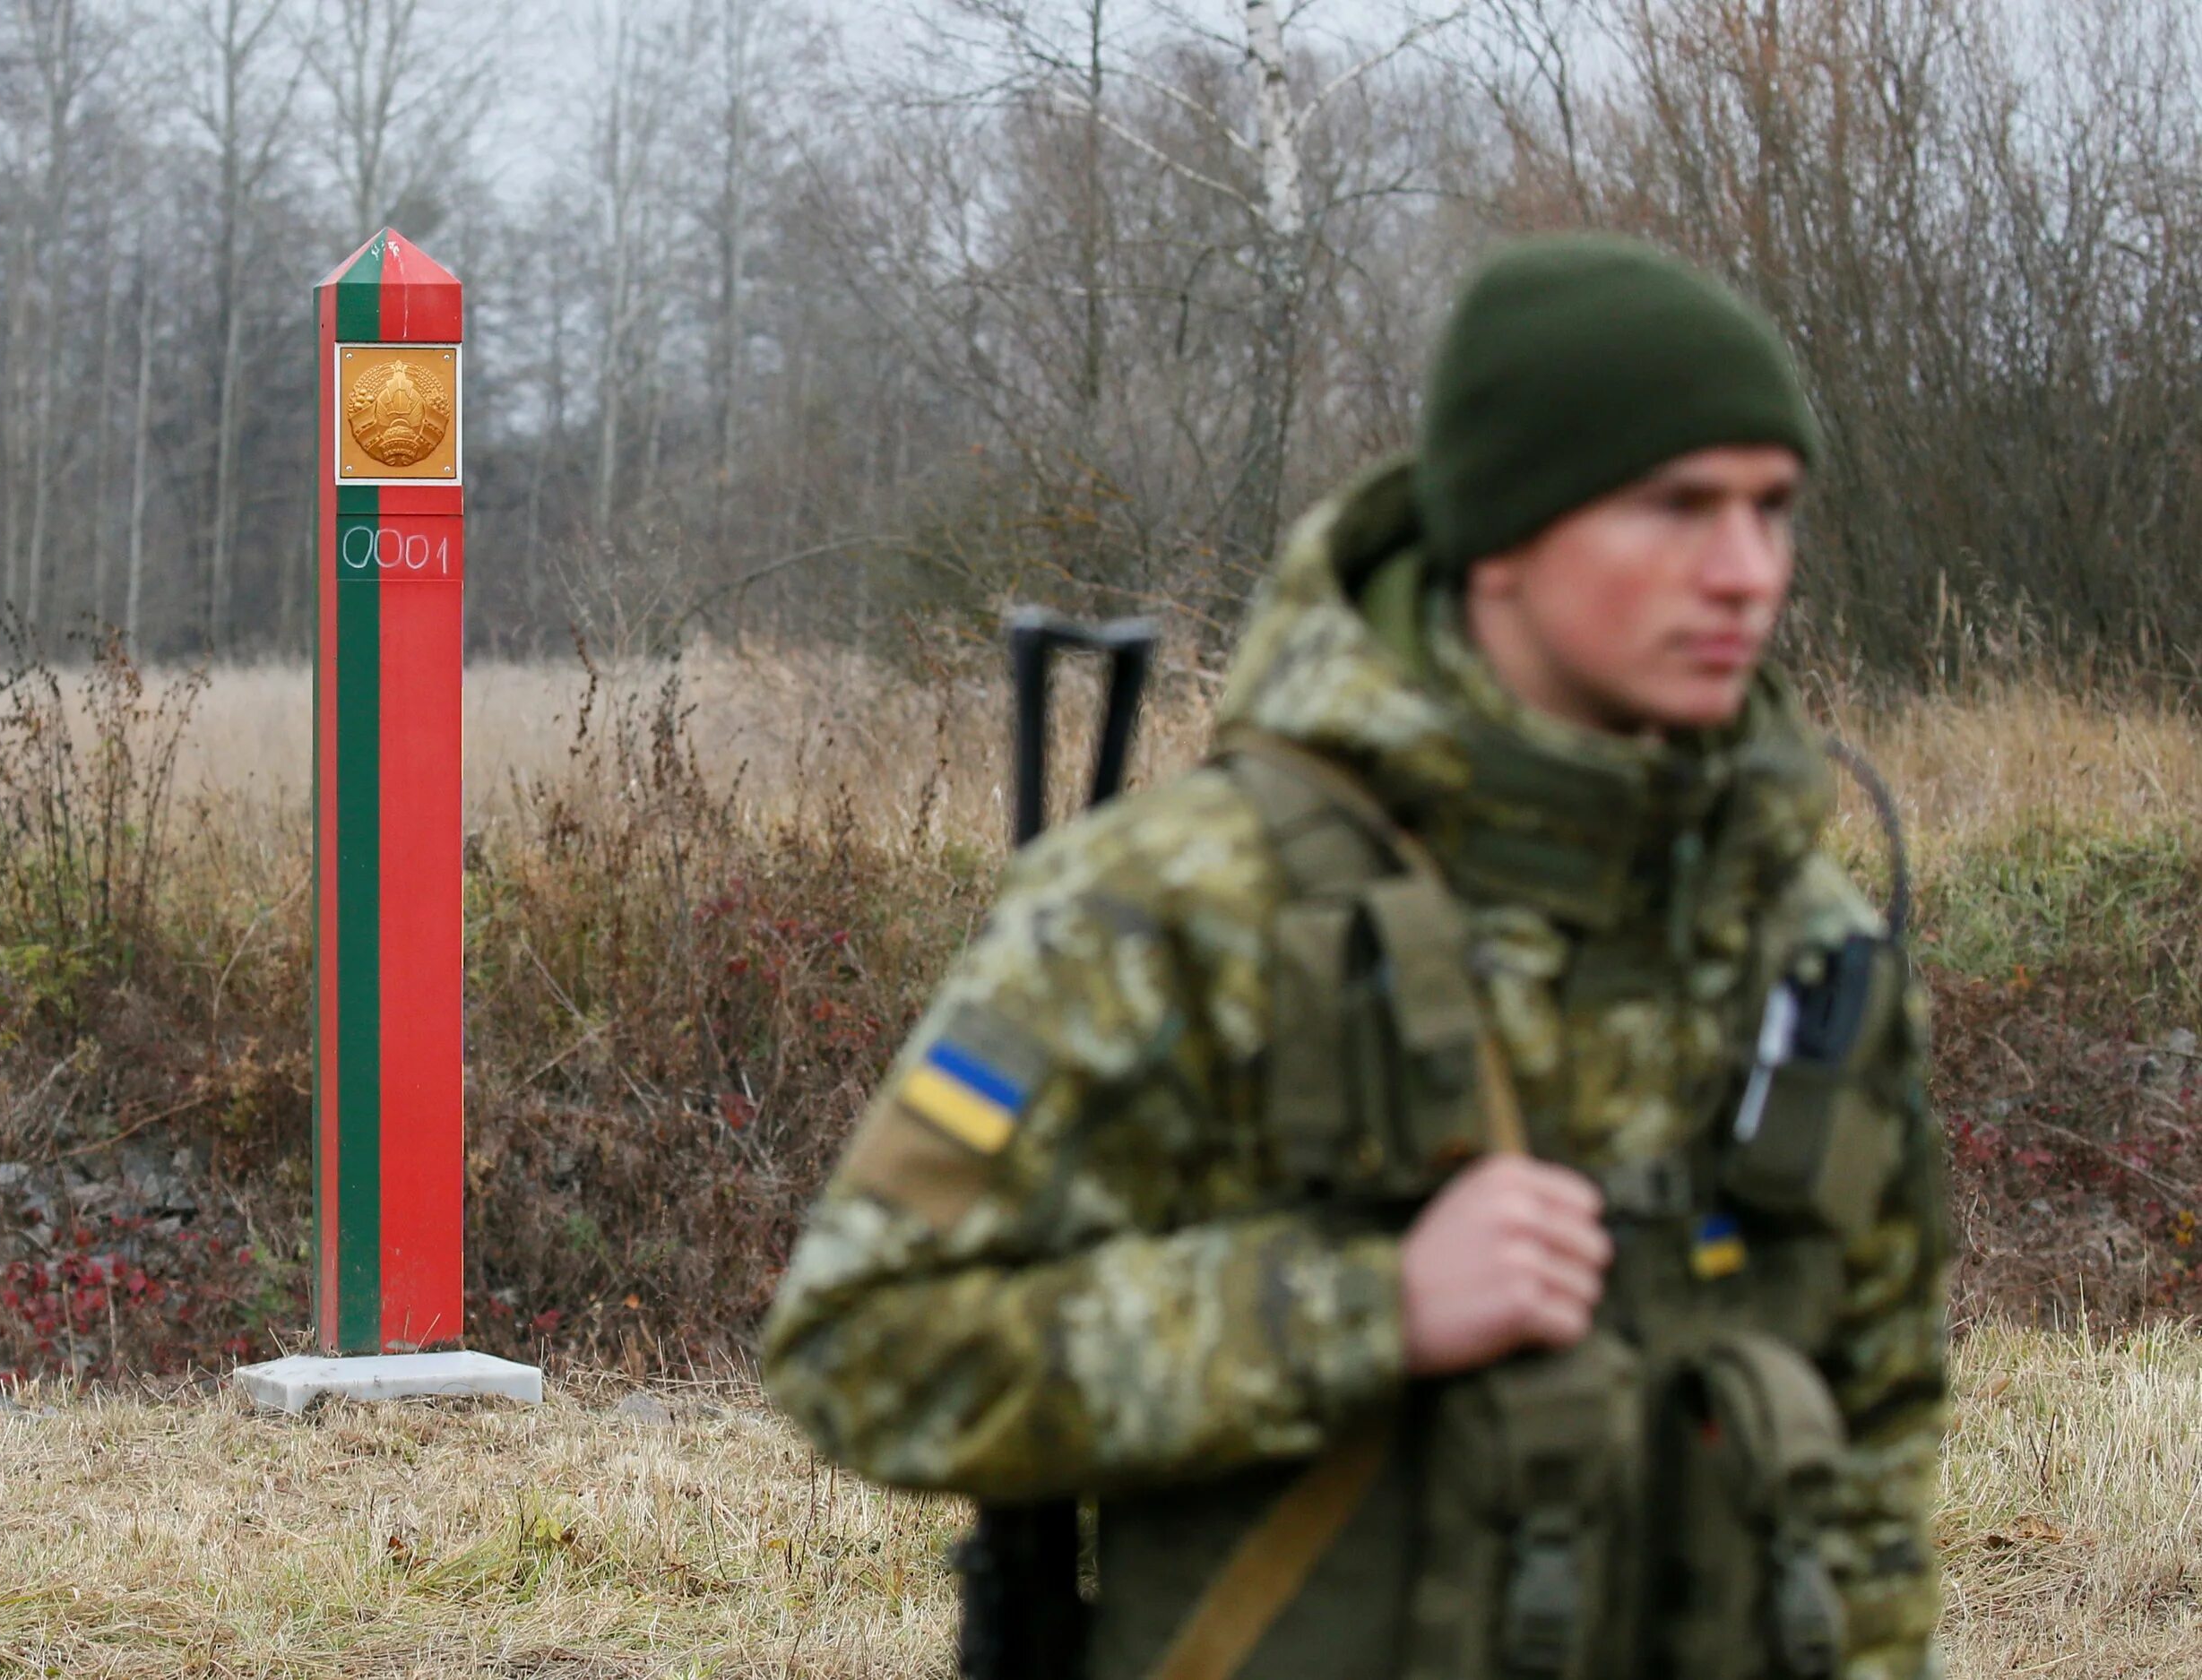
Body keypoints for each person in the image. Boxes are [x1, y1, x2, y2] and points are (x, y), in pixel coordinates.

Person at [760, 235, 1950, 1680]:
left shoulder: (1800, 938)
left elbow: (1875, 1450)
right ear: (1504, 531)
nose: (1746, 573)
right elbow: (865, 1350)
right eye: (1678, 507)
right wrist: (1365, 1306)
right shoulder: (1191, 904)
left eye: (1774, 510)